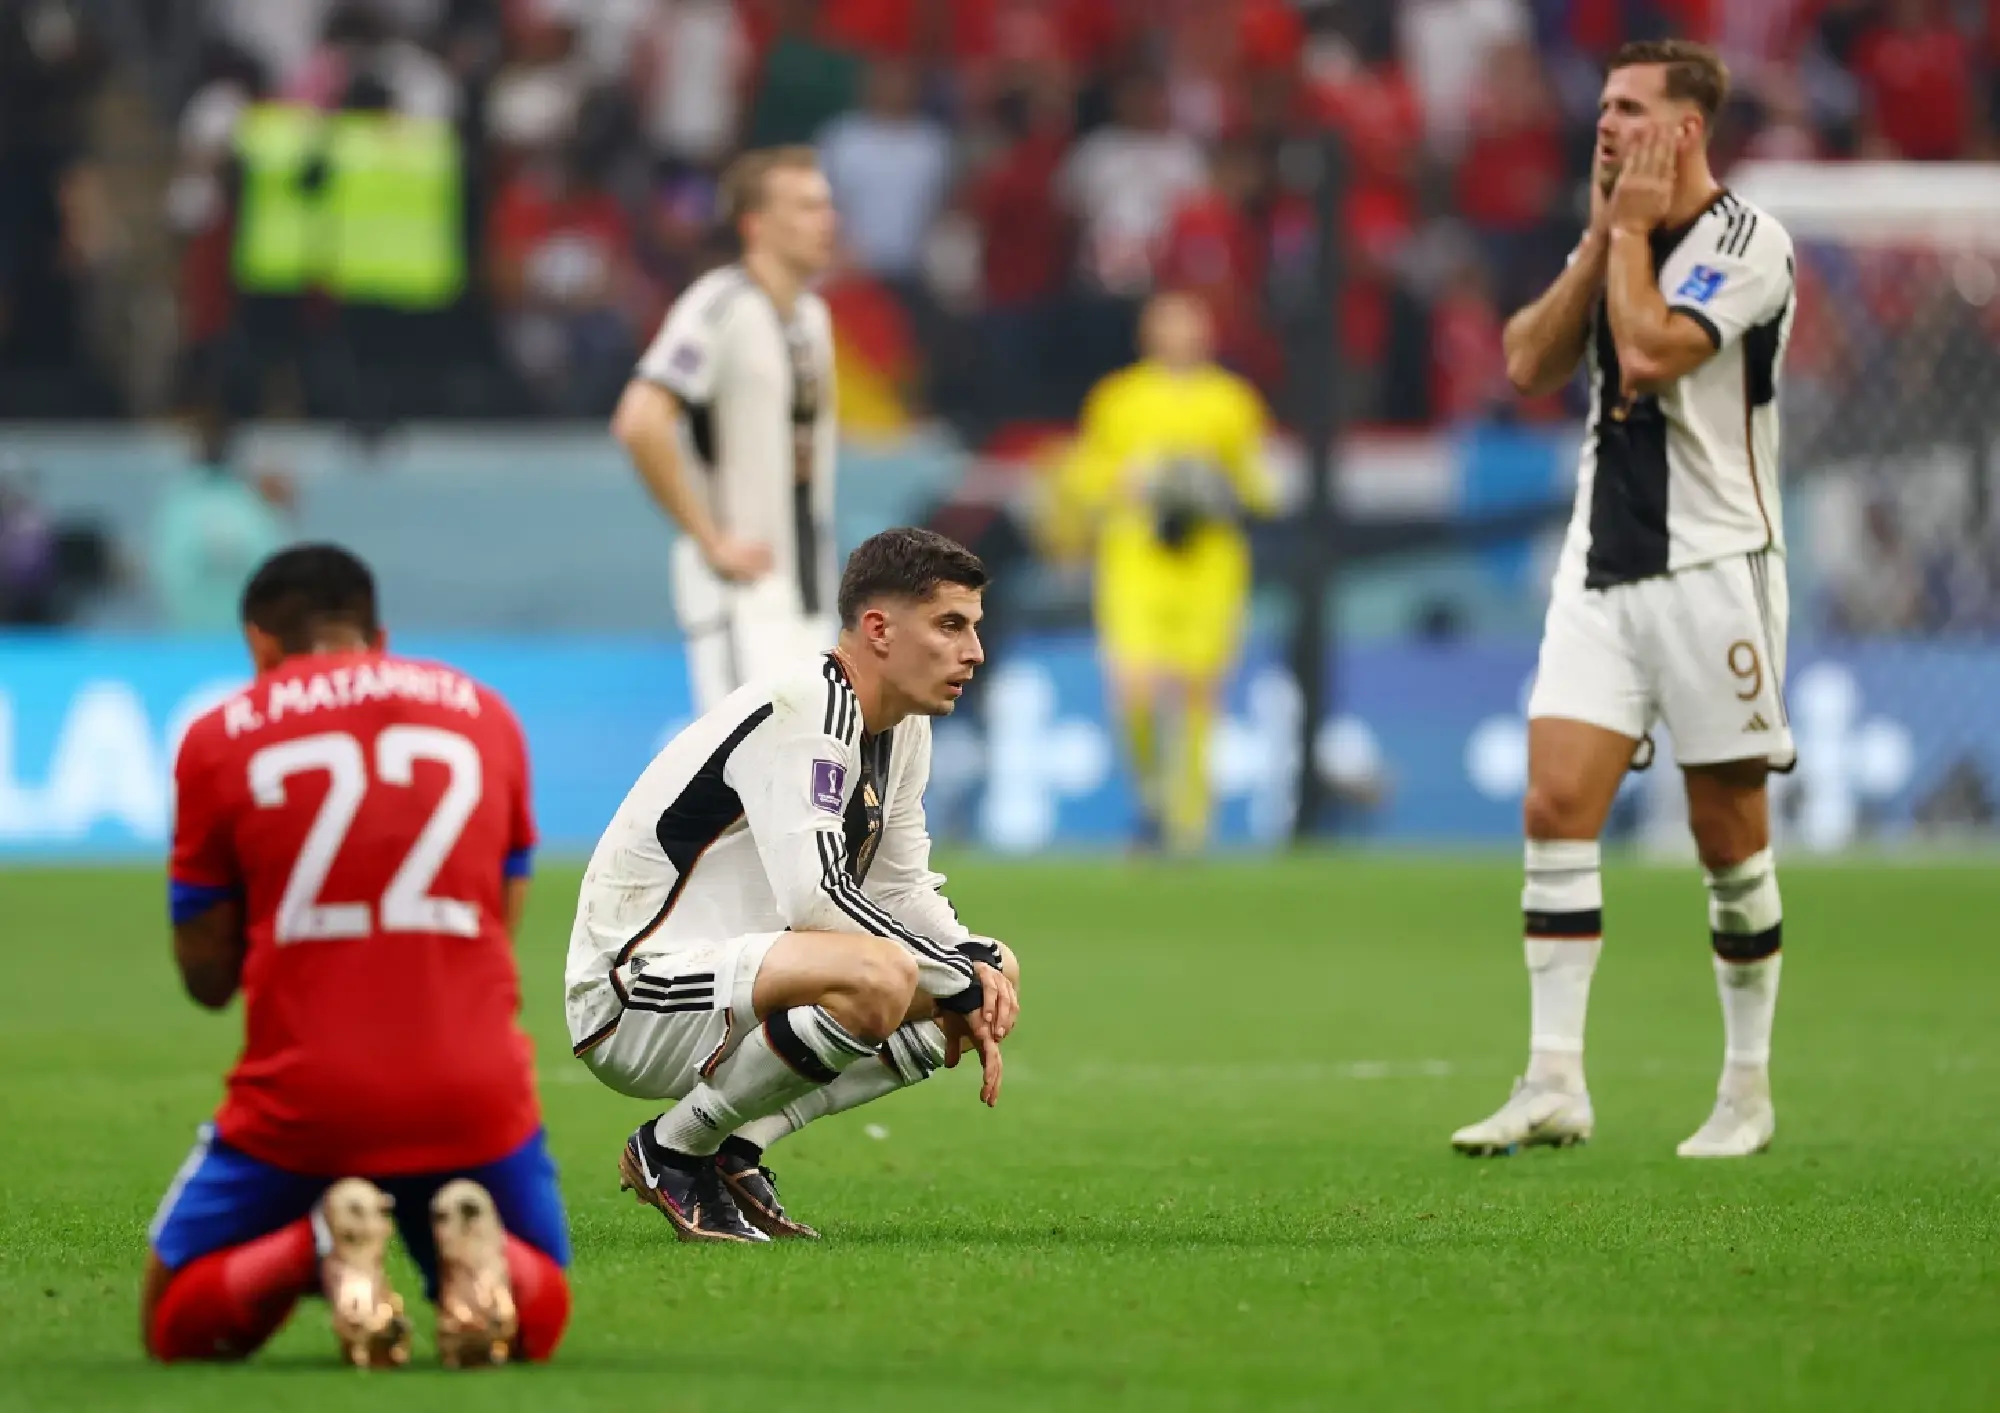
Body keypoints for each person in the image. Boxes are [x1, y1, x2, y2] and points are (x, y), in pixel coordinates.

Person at [1451, 40, 1798, 1161]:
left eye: (1631, 109)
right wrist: (1606, 232)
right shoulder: (1615, 241)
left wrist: (1631, 239)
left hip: (1713, 571)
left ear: (1685, 129)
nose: (1604, 123)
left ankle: (1744, 1087)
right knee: (1554, 807)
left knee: (1724, 840)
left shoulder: (1748, 243)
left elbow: (1647, 352)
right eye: (1601, 104)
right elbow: (1523, 363)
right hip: (1599, 570)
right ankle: (1553, 1077)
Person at [146, 544, 571, 1367]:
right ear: (379, 634)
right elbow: (499, 918)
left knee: (174, 1321)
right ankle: (478, 1253)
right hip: (471, 1095)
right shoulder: (485, 712)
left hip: (305, 1102)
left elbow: (206, 979)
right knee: (539, 1304)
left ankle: (312, 1247)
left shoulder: (219, 733)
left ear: (260, 645)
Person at [567, 527, 1020, 1243]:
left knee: (986, 964)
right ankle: (672, 1148)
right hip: (633, 992)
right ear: (878, 629)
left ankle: (733, 1151)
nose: (974, 652)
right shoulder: (807, 705)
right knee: (885, 974)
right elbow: (818, 897)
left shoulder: (901, 727)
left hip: (741, 973)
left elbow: (902, 885)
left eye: (974, 627)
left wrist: (973, 968)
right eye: (950, 625)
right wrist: (951, 976)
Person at [611, 144, 840, 714]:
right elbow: (640, 421)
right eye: (807, 206)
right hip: (743, 593)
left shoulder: (813, 318)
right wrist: (712, 540)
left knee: (803, 788)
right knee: (746, 782)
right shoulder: (719, 304)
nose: (827, 220)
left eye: (827, 205)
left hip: (808, 591)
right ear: (755, 224)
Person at [1058, 291, 1276, 853]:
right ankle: (1152, 794)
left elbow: (1258, 486)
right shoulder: (1119, 399)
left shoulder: (1231, 400)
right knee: (1133, 685)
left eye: (1191, 324)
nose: (1180, 335)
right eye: (1169, 325)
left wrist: (1217, 488)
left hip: (1209, 563)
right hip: (1136, 559)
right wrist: (1129, 478)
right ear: (1148, 334)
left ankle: (1190, 825)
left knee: (1201, 691)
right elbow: (1083, 476)